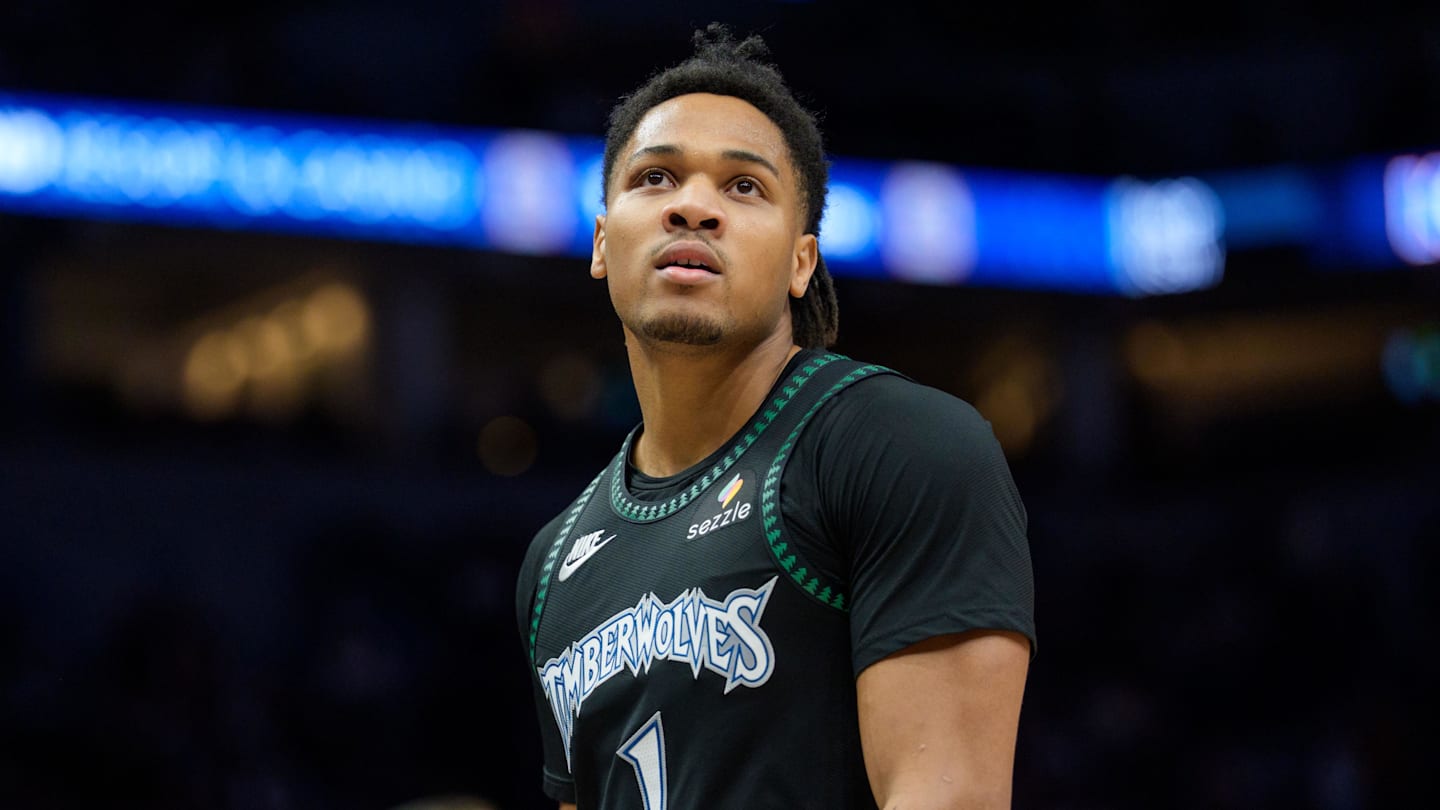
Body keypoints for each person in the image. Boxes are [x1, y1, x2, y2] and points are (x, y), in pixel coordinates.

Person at [515, 23, 1035, 809]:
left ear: (803, 261)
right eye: (655, 178)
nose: (693, 207)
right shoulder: (553, 563)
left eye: (744, 186)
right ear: (600, 243)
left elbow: (949, 795)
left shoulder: (900, 445)